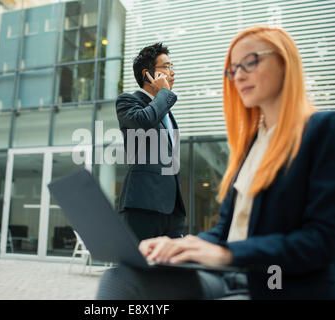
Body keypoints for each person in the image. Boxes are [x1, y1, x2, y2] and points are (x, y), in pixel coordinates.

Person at [97, 26, 335, 300]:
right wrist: (192, 246)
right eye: (233, 69)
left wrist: (223, 252)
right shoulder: (251, 144)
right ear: (147, 75)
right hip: (227, 268)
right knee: (121, 277)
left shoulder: (323, 129)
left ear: (284, 63)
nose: (239, 74)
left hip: (273, 281)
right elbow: (227, 228)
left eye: (251, 61)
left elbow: (322, 240)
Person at [115, 43, 186, 241]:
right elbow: (143, 122)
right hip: (143, 205)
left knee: (168, 270)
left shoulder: (167, 113)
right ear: (148, 74)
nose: (173, 73)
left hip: (171, 210)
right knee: (139, 269)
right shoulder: (128, 101)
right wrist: (164, 93)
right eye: (167, 67)